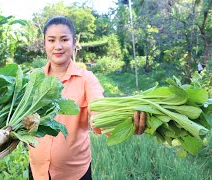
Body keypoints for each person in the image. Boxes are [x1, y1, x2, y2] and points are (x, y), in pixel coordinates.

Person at [28, 16, 146, 180]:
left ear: (74, 43)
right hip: (37, 171)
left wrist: (128, 124)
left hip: (76, 173)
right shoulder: (33, 78)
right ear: (44, 44)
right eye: (51, 40)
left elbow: (100, 115)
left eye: (64, 39)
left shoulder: (86, 79)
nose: (58, 46)